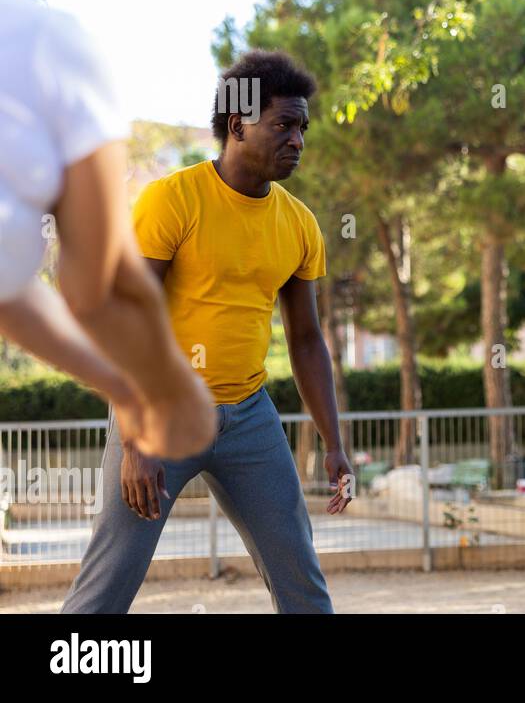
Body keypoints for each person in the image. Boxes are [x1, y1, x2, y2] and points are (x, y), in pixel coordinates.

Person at [62, 50, 353, 613]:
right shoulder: (173, 200)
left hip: (249, 415)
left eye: (303, 128)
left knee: (301, 576)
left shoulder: (299, 224)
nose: (298, 140)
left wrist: (334, 443)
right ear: (239, 123)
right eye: (284, 125)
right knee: (110, 580)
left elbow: (307, 341)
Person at [0, 0, 214, 458]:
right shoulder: (50, 43)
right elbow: (100, 287)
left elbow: (10, 292)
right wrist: (173, 397)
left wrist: (123, 387)